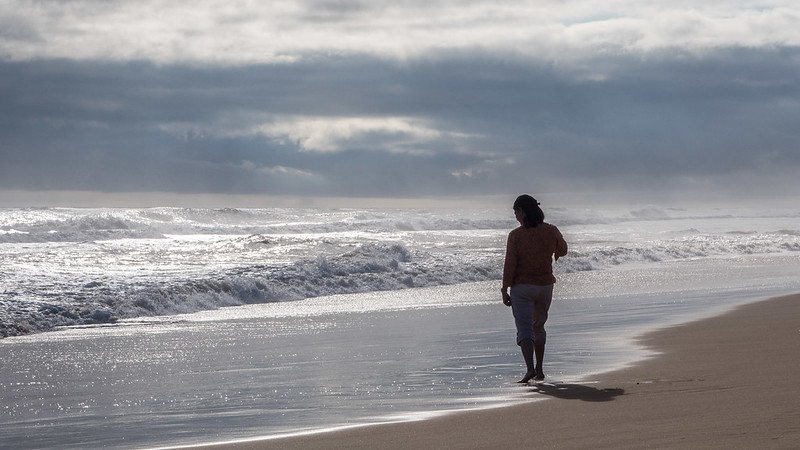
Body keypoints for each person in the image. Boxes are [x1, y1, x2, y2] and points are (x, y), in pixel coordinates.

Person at [501, 194, 567, 383]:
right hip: (545, 286)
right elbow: (563, 250)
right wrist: (549, 248)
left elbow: (510, 264)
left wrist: (504, 288)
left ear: (521, 211)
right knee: (539, 326)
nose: (515, 216)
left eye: (515, 212)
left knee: (524, 328)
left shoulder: (516, 235)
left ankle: (529, 368)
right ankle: (539, 368)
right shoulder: (550, 230)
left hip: (522, 287)